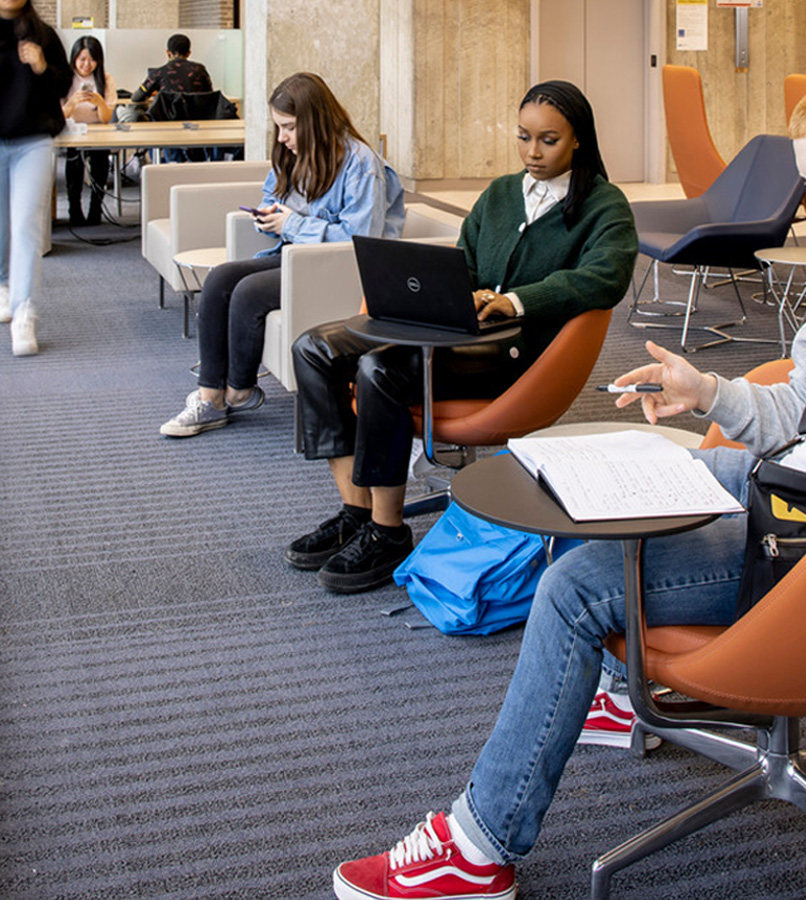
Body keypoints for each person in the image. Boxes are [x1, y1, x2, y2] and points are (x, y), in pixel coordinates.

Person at [330, 66, 806, 900]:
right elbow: (802, 406)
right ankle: (613, 694)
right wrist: (708, 393)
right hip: (782, 487)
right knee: (586, 474)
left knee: (576, 589)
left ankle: (479, 846)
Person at [285, 80, 638, 597]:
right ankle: (355, 513)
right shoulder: (501, 193)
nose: (532, 153)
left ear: (579, 140)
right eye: (523, 137)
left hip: (517, 353)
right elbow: (464, 259)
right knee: (313, 349)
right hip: (457, 331)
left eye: (548, 140)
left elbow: (605, 277)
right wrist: (460, 292)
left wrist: (517, 300)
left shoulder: (604, 207)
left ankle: (388, 531)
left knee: (377, 372)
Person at [159, 72, 405, 439]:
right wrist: (268, 217)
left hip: (341, 268)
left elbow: (359, 240)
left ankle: (239, 391)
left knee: (248, 293)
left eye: (288, 127)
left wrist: (290, 225)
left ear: (316, 121)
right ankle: (211, 397)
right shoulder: (293, 155)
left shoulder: (361, 164)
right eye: (279, 127)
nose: (282, 138)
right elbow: (271, 199)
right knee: (219, 280)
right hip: (296, 257)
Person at [0, 0, 71, 358]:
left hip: (35, 141)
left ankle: (24, 310)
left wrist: (42, 67)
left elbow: (63, 86)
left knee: (27, 222)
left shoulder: (43, 35)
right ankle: (2, 285)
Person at [61, 35, 116, 227]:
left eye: (92, 59)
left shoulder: (105, 79)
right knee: (74, 164)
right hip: (72, 131)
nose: (87, 64)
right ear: (74, 58)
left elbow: (106, 118)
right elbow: (60, 116)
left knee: (100, 163)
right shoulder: (64, 78)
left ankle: (96, 208)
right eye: (82, 59)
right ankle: (74, 209)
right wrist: (73, 101)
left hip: (98, 132)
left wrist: (99, 102)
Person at [129, 32, 211, 102]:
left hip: (166, 119)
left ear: (168, 53)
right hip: (196, 118)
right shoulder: (200, 70)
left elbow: (136, 98)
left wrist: (158, 93)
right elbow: (210, 95)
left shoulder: (158, 73)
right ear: (188, 53)